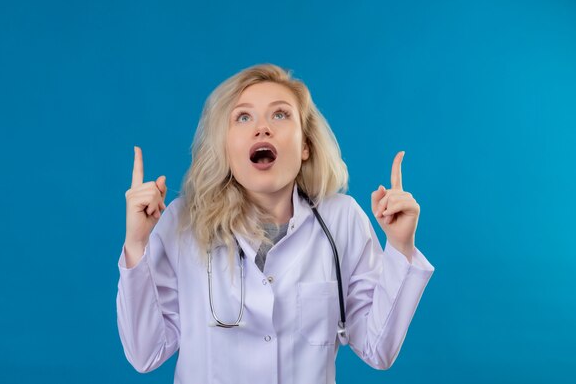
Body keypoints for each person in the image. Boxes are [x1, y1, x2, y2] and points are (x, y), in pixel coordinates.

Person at [116, 63, 434, 383]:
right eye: (243, 117)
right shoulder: (182, 222)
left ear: (306, 146)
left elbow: (378, 350)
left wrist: (400, 247)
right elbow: (147, 354)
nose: (262, 128)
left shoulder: (342, 220)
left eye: (280, 114)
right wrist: (136, 244)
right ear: (226, 146)